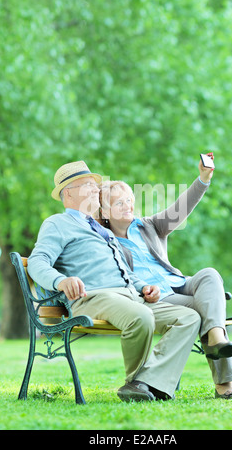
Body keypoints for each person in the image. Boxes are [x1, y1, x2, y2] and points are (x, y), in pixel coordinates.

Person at [27, 160, 202, 402]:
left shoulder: (103, 230)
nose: (95, 190)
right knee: (141, 317)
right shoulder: (58, 224)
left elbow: (124, 272)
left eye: (95, 185)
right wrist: (60, 281)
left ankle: (145, 383)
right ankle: (137, 382)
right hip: (93, 298)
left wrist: (143, 287)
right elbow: (37, 261)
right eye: (87, 185)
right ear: (68, 193)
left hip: (128, 296)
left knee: (188, 317)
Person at [99, 154, 232, 400]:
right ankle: (224, 385)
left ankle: (216, 334)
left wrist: (203, 179)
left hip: (178, 284)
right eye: (118, 203)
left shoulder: (149, 225)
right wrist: (144, 289)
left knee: (210, 274)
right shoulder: (104, 241)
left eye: (129, 200)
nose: (127, 206)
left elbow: (181, 208)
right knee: (204, 312)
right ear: (104, 211)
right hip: (157, 298)